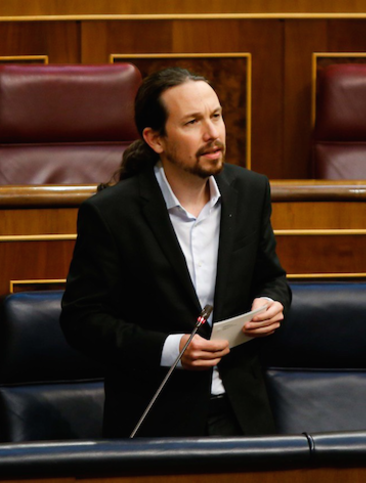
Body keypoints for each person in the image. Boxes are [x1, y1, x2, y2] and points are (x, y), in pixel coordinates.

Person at [60, 67, 291, 438]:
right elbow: (82, 322)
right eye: (192, 122)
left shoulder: (250, 191)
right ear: (155, 139)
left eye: (216, 116)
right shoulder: (110, 213)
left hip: (243, 416)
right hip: (157, 421)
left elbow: (271, 277)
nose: (212, 133)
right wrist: (170, 349)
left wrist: (271, 301)